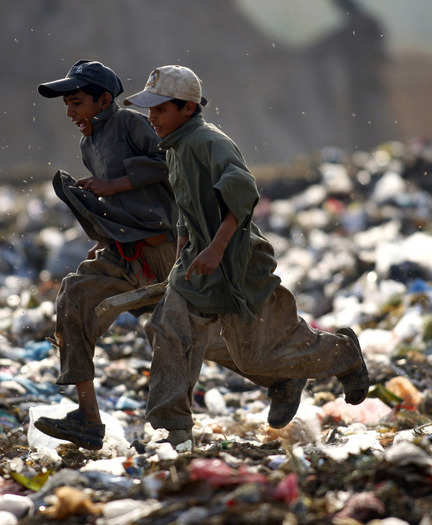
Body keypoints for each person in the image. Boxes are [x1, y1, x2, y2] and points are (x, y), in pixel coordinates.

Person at [124, 65, 369, 446]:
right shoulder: (174, 148)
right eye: (150, 110)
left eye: (159, 109)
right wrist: (180, 259)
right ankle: (174, 429)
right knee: (168, 330)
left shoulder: (209, 143)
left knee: (258, 353)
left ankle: (341, 355)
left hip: (238, 264)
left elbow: (243, 195)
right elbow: (187, 212)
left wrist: (215, 249)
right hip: (196, 264)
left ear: (187, 108)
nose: (152, 118)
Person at [33, 60, 178, 450]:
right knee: (74, 296)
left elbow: (171, 162)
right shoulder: (88, 145)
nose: (70, 112)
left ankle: (286, 372)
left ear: (103, 99)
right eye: (67, 105)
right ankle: (88, 418)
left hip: (163, 250)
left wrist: (114, 185)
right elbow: (117, 203)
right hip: (122, 250)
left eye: (77, 102)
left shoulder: (132, 124)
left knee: (195, 338)